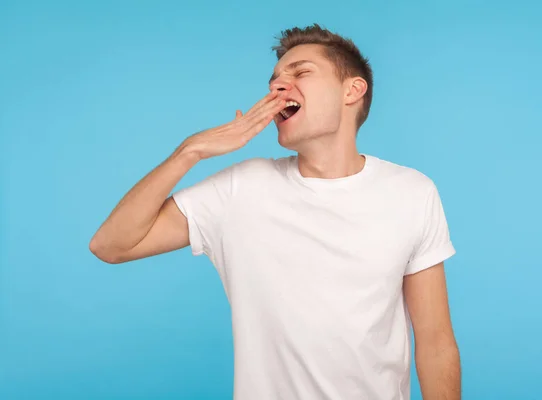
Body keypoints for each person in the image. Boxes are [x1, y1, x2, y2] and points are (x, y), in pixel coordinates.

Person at [90, 24, 461, 400]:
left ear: (352, 90)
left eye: (300, 73)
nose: (278, 87)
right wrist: (191, 151)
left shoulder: (411, 192)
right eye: (275, 80)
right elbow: (111, 245)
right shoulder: (240, 189)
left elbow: (435, 342)